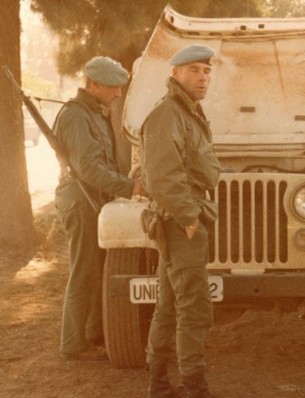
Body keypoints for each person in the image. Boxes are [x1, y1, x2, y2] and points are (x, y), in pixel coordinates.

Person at [141, 44, 221, 398]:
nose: (202, 77)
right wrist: (189, 217)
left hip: (181, 219)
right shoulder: (168, 114)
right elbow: (162, 175)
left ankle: (158, 385)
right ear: (175, 74)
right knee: (194, 307)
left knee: (171, 306)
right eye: (194, 71)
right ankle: (195, 387)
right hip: (180, 221)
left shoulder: (187, 113)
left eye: (206, 70)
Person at [54, 56, 146, 360]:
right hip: (80, 199)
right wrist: (129, 187)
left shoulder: (95, 113)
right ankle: (72, 343)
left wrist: (125, 180)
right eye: (113, 87)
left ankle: (95, 333)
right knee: (84, 269)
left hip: (95, 198)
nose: (119, 93)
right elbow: (89, 169)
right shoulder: (77, 116)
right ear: (93, 84)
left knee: (99, 268)